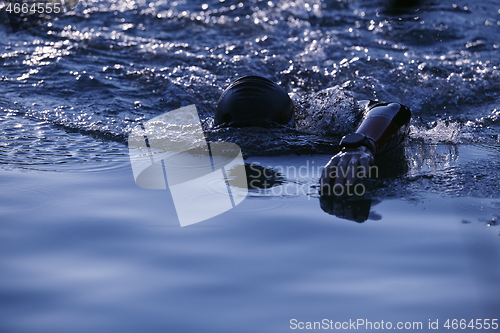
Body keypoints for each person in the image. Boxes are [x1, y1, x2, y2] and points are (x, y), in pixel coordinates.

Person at [215, 75, 411, 194]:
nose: (253, 142)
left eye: (265, 134)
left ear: (293, 121)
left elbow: (390, 108)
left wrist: (359, 145)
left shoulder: (328, 119)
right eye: (240, 136)